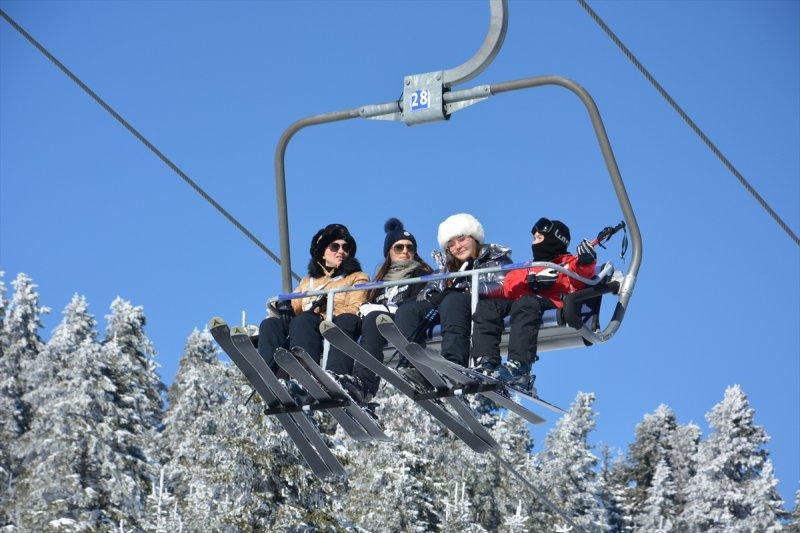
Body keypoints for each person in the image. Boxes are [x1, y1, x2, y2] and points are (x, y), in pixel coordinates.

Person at [471, 217, 597, 392]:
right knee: (488, 307)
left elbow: (582, 274)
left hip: (551, 304)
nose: (534, 243)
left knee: (527, 302)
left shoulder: (567, 263)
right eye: (534, 239)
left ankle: (519, 367)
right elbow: (509, 288)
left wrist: (586, 260)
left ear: (555, 240)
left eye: (539, 239)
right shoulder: (529, 266)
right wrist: (530, 281)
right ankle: (486, 360)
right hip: (522, 304)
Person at [329, 218, 434, 403]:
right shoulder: (378, 283)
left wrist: (382, 308)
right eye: (399, 247)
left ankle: (365, 382)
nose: (405, 252)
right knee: (347, 320)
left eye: (410, 248)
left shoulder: (422, 275)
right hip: (377, 321)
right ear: (389, 252)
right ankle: (336, 377)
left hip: (400, 318)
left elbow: (420, 302)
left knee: (374, 318)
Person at [394, 213, 512, 369]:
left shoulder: (495, 258)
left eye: (462, 239)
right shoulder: (446, 269)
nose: (458, 246)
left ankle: (453, 362)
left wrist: (465, 290)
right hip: (447, 308)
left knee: (453, 301)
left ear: (474, 238)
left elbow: (503, 284)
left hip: (482, 306)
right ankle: (410, 367)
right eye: (451, 243)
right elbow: (427, 291)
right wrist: (434, 296)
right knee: (408, 311)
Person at [258, 223, 369, 379]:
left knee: (304, 320)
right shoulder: (308, 282)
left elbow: (356, 307)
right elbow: (295, 303)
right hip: (305, 324)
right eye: (335, 247)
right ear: (323, 252)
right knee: (270, 324)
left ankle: (306, 374)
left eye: (346, 247)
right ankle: (272, 376)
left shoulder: (357, 277)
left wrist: (325, 312)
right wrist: (284, 306)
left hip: (331, 324)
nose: (341, 251)